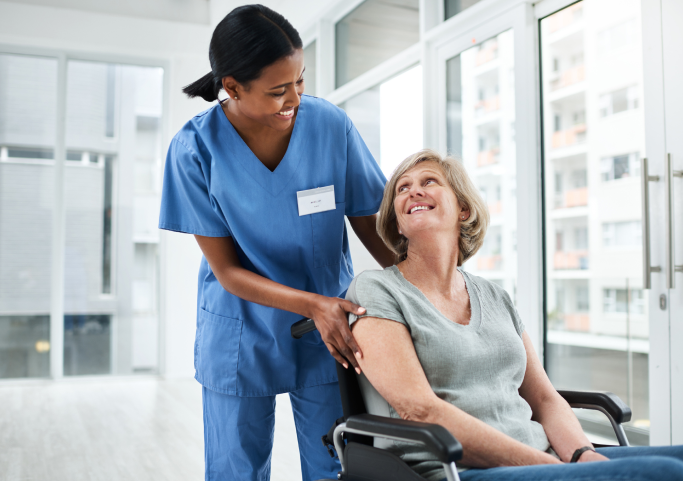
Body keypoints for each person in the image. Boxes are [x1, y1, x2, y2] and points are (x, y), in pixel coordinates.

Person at [344, 149, 683, 481]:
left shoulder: (495, 296)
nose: (413, 190)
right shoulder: (378, 289)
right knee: (665, 473)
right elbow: (419, 409)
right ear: (398, 223)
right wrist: (552, 468)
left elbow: (545, 398)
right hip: (459, 469)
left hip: (544, 456)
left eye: (429, 181)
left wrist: (582, 455)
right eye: (402, 188)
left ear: (463, 209)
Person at [158, 5, 394, 480]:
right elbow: (226, 271)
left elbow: (375, 228)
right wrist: (314, 305)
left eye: (300, 82)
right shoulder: (194, 150)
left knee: (339, 467)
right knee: (236, 471)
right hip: (240, 332)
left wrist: (426, 292)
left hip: (330, 331)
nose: (294, 100)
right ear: (231, 87)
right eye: (277, 91)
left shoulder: (330, 126)